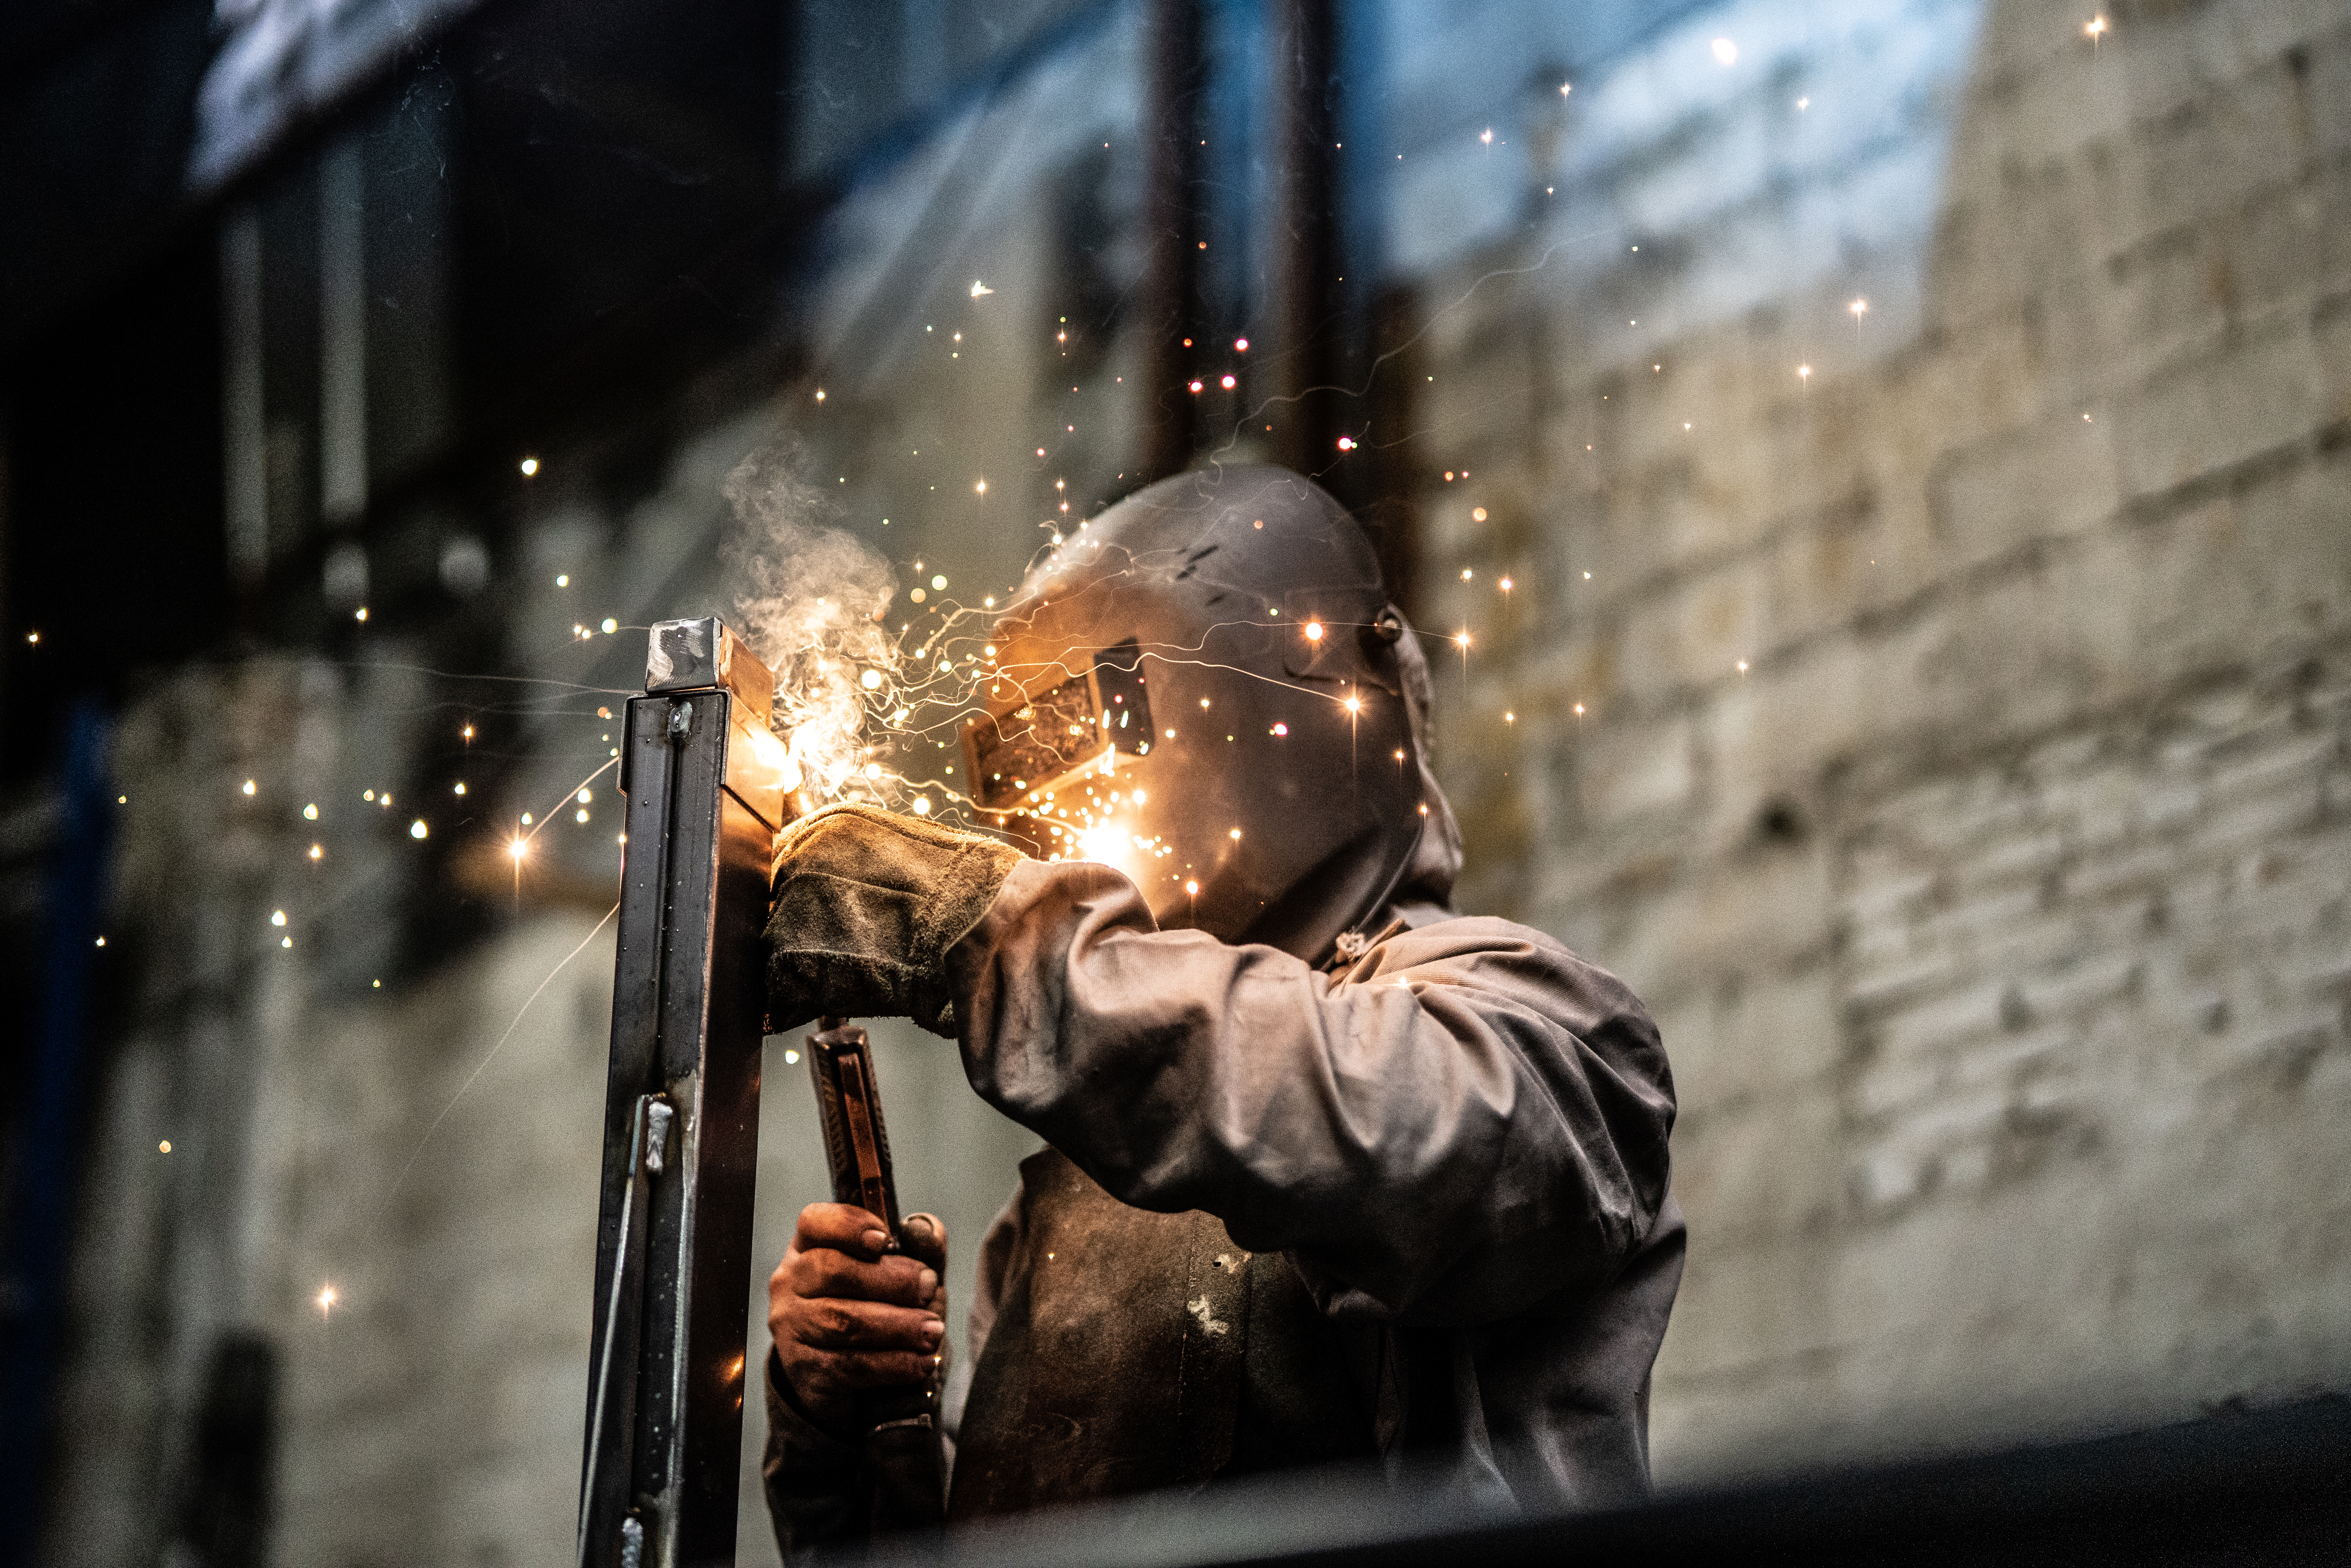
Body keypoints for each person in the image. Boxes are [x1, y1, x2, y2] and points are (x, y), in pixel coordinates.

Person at [758, 465, 1682, 1558]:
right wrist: (847, 1420)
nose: (1069, 803)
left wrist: (973, 924)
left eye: (1100, 726)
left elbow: (1357, 1114)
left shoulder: (1550, 1035)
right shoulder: (1065, 1200)